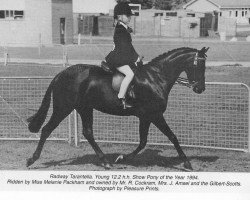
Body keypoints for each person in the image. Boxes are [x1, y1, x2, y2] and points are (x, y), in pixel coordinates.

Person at [105, 2, 140, 109]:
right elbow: (124, 47)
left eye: (130, 15)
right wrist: (135, 58)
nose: (130, 17)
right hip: (118, 59)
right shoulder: (121, 29)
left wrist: (137, 57)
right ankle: (120, 99)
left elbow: (129, 46)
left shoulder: (123, 28)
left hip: (120, 57)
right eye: (127, 15)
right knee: (130, 74)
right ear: (120, 17)